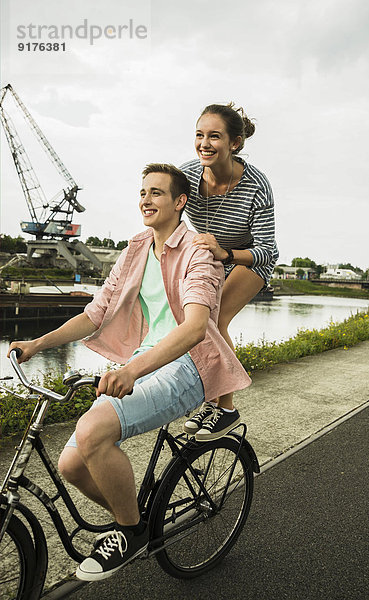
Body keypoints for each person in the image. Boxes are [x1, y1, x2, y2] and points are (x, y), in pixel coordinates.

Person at [8, 164, 251, 582]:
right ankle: (136, 518)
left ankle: (127, 532)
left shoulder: (199, 252)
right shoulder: (136, 248)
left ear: (179, 202)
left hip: (187, 365)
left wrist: (132, 370)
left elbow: (195, 327)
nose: (146, 199)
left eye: (157, 193)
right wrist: (38, 344)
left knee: (92, 432)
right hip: (145, 359)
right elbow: (95, 312)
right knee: (72, 466)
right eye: (142, 192)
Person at [180, 102, 279, 435]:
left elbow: (268, 249)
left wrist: (226, 253)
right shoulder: (187, 176)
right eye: (199, 135)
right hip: (212, 258)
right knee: (193, 321)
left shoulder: (257, 185)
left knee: (216, 318)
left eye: (214, 137)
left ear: (235, 143)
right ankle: (209, 400)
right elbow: (168, 215)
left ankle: (226, 409)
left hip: (248, 259)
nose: (204, 144)